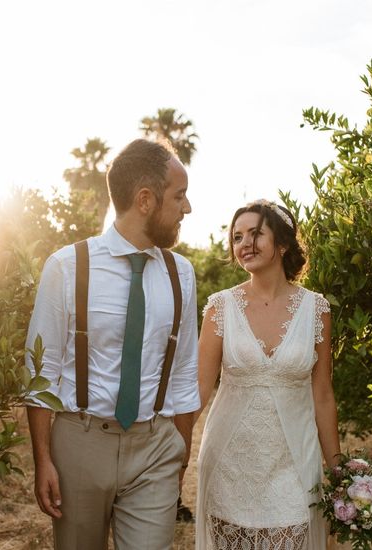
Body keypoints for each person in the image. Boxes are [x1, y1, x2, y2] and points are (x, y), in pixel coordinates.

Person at [25, 139, 200, 550]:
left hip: (155, 447)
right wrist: (43, 459)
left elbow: (184, 372)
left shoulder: (182, 274)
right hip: (81, 442)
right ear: (145, 200)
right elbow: (40, 373)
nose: (186, 208)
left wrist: (180, 453)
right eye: (179, 196)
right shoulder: (67, 267)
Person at [195, 200, 341, 550]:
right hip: (230, 460)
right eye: (237, 236)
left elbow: (322, 394)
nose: (244, 243)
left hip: (293, 461)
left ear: (283, 244)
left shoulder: (315, 309)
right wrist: (174, 449)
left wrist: (338, 470)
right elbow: (199, 388)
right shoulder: (220, 307)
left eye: (256, 234)